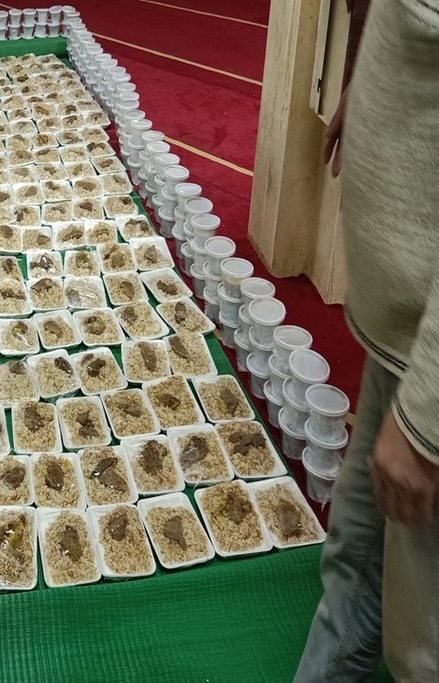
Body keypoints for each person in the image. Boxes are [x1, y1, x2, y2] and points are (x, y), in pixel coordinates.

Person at [294, 0, 439, 681]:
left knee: (423, 645)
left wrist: (426, 421)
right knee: (353, 559)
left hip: (426, 370)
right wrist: (369, 78)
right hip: (399, 342)